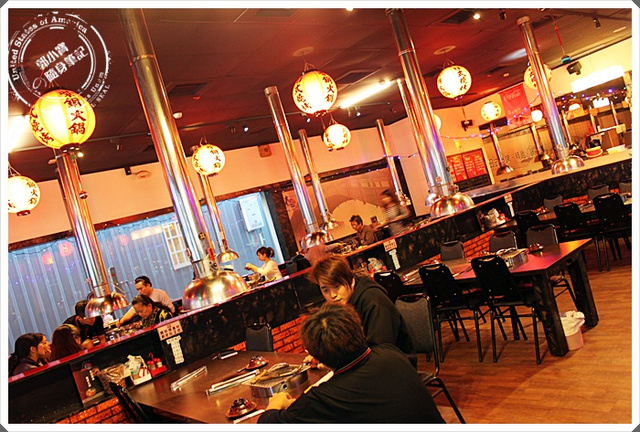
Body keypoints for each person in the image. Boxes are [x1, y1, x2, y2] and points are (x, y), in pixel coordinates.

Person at [258, 303, 445, 423]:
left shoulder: (321, 399)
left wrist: (275, 404)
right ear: (360, 330)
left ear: (316, 354)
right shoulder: (390, 353)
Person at [308, 255, 413, 359]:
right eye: (326, 290)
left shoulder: (374, 301)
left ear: (351, 281)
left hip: (397, 362)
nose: (332, 295)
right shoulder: (339, 307)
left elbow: (381, 351)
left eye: (337, 286)